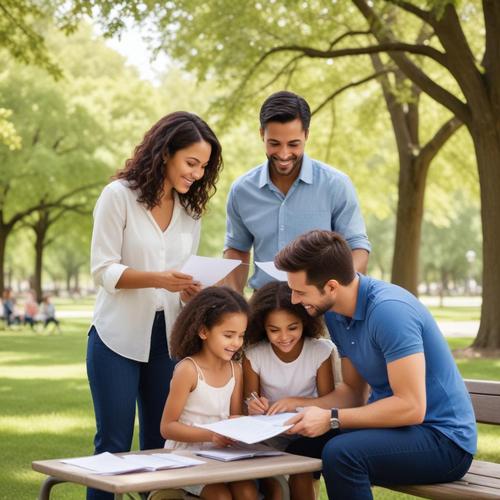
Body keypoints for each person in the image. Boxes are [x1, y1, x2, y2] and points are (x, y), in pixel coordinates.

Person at [273, 230, 477, 500]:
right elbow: (354, 392)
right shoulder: (334, 313)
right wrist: (298, 405)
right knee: (301, 446)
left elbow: (411, 407)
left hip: (443, 440)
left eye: (300, 292)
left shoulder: (389, 312)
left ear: (332, 287)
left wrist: (331, 418)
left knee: (343, 455)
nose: (294, 300)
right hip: (397, 428)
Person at [87, 112, 223, 500]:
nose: (197, 174)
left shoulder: (190, 211)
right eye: (191, 163)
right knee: (112, 446)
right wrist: (158, 277)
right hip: (116, 339)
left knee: (159, 447)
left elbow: (177, 278)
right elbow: (103, 269)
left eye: (203, 167)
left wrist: (186, 289)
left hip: (168, 341)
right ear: (166, 153)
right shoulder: (119, 197)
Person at [223, 90, 370, 293]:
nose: (284, 154)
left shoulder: (335, 184)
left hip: (321, 307)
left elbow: (357, 247)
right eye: (274, 143)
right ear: (261, 134)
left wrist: (336, 293)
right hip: (265, 306)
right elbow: (237, 249)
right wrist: (235, 301)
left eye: (293, 144)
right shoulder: (242, 190)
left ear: (306, 135)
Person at [160, 286, 258, 500]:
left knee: (248, 492)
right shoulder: (188, 370)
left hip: (222, 454)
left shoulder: (236, 369)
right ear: (203, 331)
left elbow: (233, 417)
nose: (236, 343)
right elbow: (167, 427)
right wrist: (211, 435)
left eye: (241, 336)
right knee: (220, 496)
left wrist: (247, 424)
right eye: (228, 335)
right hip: (186, 455)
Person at [243, 281, 336, 500]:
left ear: (305, 321)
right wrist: (253, 405)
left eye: (292, 328)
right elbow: (249, 400)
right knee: (272, 484)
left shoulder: (319, 351)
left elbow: (330, 400)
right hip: (268, 434)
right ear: (262, 327)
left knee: (300, 466)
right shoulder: (255, 354)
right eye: (274, 330)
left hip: (306, 428)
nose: (284, 337)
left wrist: (295, 402)